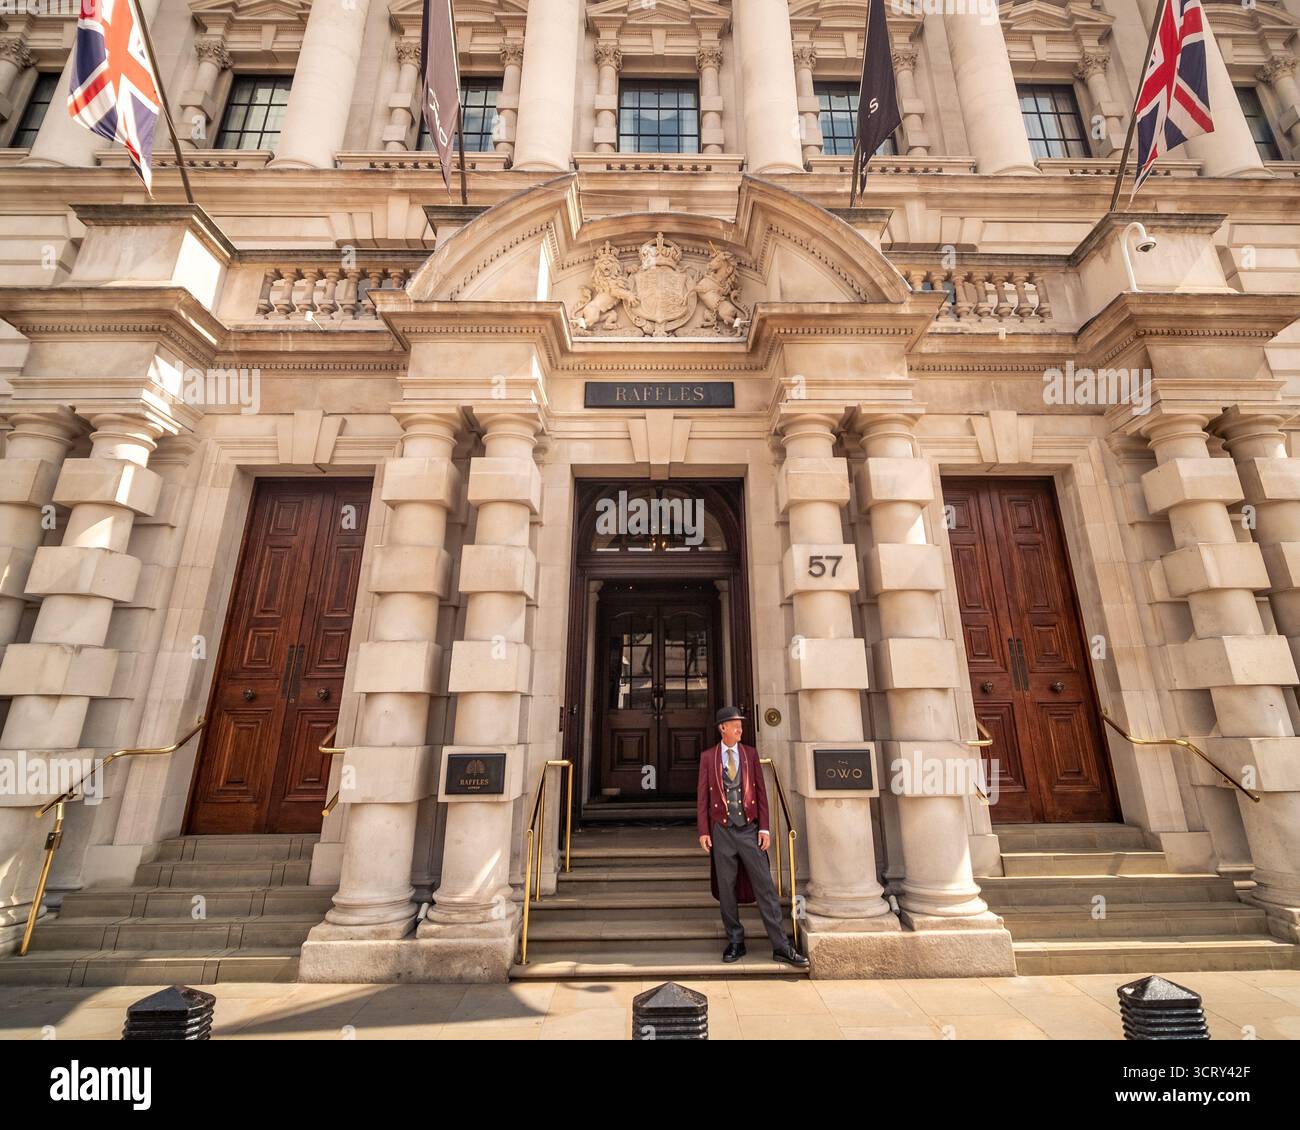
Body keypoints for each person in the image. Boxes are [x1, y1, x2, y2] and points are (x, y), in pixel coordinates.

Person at [697, 705, 809, 967]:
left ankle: (781, 946)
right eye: (735, 724)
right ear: (722, 728)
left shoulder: (750, 754)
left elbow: (761, 794)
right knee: (726, 889)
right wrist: (703, 830)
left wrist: (765, 827)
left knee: (766, 888)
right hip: (721, 831)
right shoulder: (708, 757)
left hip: (749, 829)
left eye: (741, 725)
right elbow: (702, 797)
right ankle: (735, 941)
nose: (740, 728)